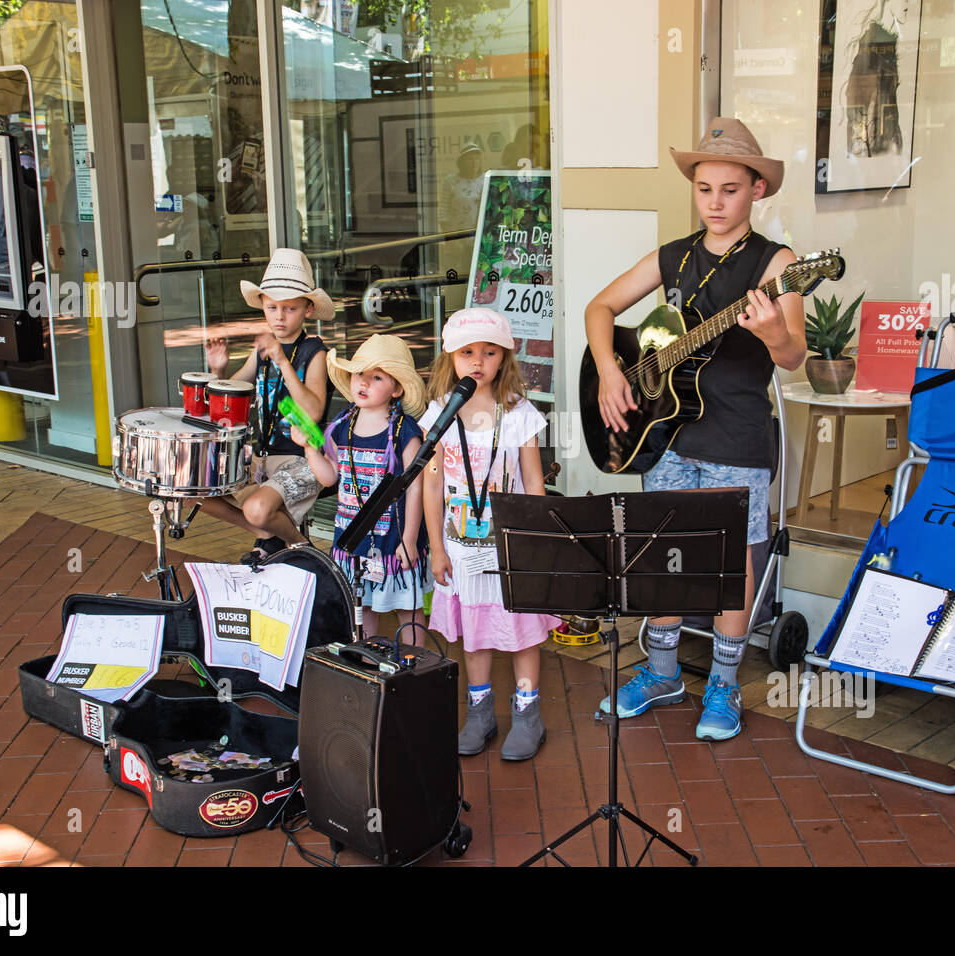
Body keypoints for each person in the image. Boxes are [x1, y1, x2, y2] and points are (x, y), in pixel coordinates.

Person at [585, 117, 806, 742]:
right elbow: (600, 307)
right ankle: (661, 674)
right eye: (705, 188)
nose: (715, 202)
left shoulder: (778, 263)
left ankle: (724, 686)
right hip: (668, 433)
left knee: (729, 564)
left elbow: (795, 358)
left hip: (737, 434)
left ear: (757, 190)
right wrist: (609, 371)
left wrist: (772, 333)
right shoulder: (675, 256)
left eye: (730, 190)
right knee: (667, 555)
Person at [421, 308, 559, 761]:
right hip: (461, 549)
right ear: (450, 359)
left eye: (489, 351)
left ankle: (528, 716)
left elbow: (535, 483)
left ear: (504, 357)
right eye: (467, 352)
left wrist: (536, 542)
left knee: (521, 634)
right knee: (474, 636)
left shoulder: (519, 414)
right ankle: (480, 714)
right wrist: (437, 547)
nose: (478, 361)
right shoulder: (440, 414)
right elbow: (433, 483)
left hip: (509, 545)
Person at [295, 333, 431, 641]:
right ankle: (368, 662)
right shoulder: (341, 425)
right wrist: (309, 449)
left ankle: (415, 663)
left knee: (407, 608)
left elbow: (415, 488)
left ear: (396, 388)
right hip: (352, 536)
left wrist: (409, 539)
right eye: (359, 374)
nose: (364, 383)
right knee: (362, 604)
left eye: (377, 377)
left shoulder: (405, 431)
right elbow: (330, 477)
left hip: (394, 538)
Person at [203, 248, 334, 557]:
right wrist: (218, 371)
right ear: (262, 305)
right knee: (190, 488)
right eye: (272, 307)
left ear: (308, 310)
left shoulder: (314, 351)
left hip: (302, 456)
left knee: (258, 509)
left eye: (289, 308)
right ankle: (263, 531)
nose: (279, 316)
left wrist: (282, 361)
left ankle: (300, 548)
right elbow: (234, 392)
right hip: (260, 456)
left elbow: (312, 411)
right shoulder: (263, 348)